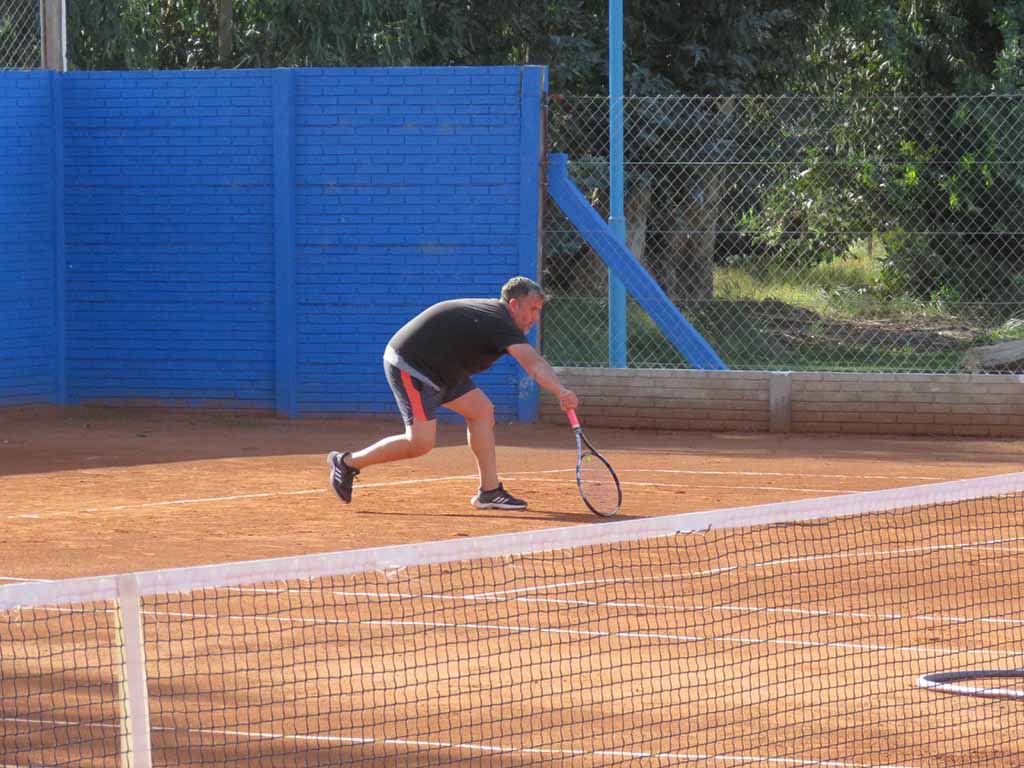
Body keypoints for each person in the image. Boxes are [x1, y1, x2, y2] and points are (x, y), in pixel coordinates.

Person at [327, 276, 578, 511]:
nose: (536, 317)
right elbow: (535, 365)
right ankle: (346, 462)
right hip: (412, 364)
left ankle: (489, 491)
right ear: (514, 305)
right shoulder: (500, 322)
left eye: (539, 310)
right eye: (533, 309)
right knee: (420, 442)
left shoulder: (499, 318)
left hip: (445, 367)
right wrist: (561, 391)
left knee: (481, 411)